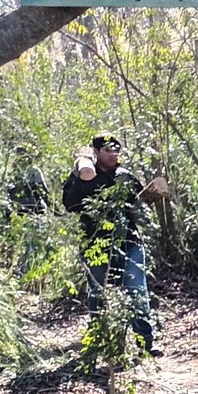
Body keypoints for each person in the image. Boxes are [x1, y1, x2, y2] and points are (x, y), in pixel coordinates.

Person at [61, 133, 155, 353]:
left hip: (129, 241)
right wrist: (83, 179)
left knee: (137, 291)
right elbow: (70, 204)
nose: (113, 154)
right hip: (95, 244)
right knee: (98, 292)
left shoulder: (125, 176)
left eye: (116, 150)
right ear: (95, 152)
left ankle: (145, 344)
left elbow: (141, 206)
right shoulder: (83, 174)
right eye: (107, 150)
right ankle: (101, 342)